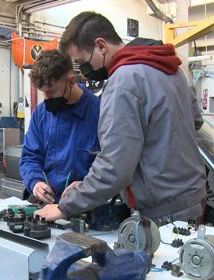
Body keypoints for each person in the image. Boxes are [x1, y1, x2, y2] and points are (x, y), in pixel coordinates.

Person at [36, 11, 206, 225]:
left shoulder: (123, 82)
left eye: (82, 62)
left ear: (101, 46)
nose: (85, 72)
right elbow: (195, 121)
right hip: (192, 195)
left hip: (164, 207)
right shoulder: (168, 67)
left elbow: (115, 167)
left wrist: (64, 207)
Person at [20, 49, 100, 204]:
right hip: (49, 205)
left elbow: (114, 166)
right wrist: (35, 182)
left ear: (71, 81)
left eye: (50, 92)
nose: (46, 98)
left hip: (89, 208)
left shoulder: (100, 113)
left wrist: (89, 186)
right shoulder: (42, 113)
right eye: (43, 93)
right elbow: (30, 156)